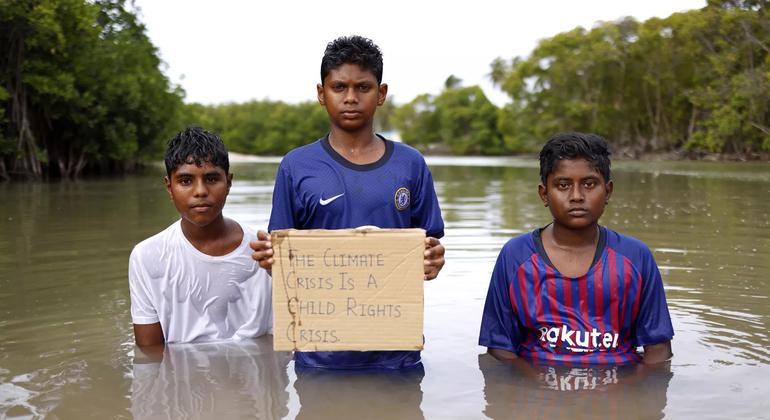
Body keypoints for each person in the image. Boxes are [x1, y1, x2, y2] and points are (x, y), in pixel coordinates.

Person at [250, 35, 446, 370]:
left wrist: (433, 259)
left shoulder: (410, 164)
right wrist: (271, 260)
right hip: (320, 355)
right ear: (321, 94)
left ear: (381, 94)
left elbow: (428, 246)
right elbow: (283, 259)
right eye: (339, 87)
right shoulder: (296, 166)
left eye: (363, 87)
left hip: (396, 353)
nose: (351, 98)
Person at [479, 132, 674, 365]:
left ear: (608, 191)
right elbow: (500, 350)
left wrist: (622, 393)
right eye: (563, 185)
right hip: (538, 395)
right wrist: (543, 390)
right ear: (544, 194)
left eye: (589, 184)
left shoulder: (635, 257)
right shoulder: (516, 255)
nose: (577, 196)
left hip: (614, 389)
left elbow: (658, 351)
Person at [129, 127, 272, 349]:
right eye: (186, 181)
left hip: (254, 379)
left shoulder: (264, 250)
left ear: (229, 183)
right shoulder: (147, 256)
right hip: (184, 381)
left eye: (212, 179)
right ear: (169, 186)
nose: (200, 191)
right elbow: (150, 353)